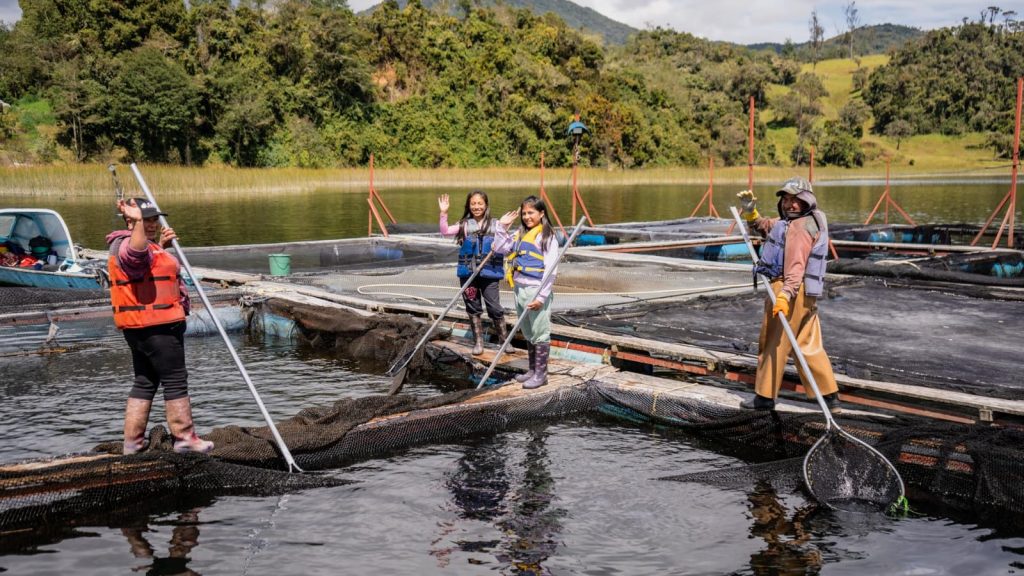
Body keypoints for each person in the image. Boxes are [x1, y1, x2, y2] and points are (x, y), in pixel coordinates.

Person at [106, 197, 213, 454]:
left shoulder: (147, 245)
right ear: (130, 219)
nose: (153, 223)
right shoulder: (126, 245)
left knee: (145, 381)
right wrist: (140, 222)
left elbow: (145, 262)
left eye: (154, 219)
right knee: (176, 380)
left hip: (142, 328)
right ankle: (185, 437)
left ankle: (133, 443)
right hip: (157, 327)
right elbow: (136, 255)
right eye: (147, 219)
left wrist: (162, 246)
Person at [736, 177, 840, 412]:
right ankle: (829, 396)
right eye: (786, 199)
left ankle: (764, 398)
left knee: (774, 342)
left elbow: (795, 266)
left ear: (807, 200)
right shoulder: (809, 220)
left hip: (789, 290)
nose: (790, 205)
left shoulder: (799, 229)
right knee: (807, 343)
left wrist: (784, 295)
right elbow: (769, 226)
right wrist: (751, 214)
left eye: (796, 200)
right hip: (808, 293)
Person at [492, 195, 560, 389]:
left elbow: (550, 270)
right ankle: (532, 370)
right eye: (524, 213)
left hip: (535, 289)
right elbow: (500, 248)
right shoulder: (520, 234)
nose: (527, 216)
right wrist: (501, 227)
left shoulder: (547, 236)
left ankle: (541, 374)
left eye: (531, 212)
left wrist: (541, 297)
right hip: (520, 289)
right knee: (528, 331)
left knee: (540, 332)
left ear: (541, 213)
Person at [439, 190, 509, 355]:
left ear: (486, 205)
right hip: (469, 274)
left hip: (489, 272)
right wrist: (443, 212)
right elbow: (445, 231)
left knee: (494, 307)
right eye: (473, 204)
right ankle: (478, 342)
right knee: (473, 307)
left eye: (480, 203)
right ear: (469, 206)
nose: (477, 207)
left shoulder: (497, 224)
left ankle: (504, 341)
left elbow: (505, 244)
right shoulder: (464, 225)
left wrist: (505, 227)